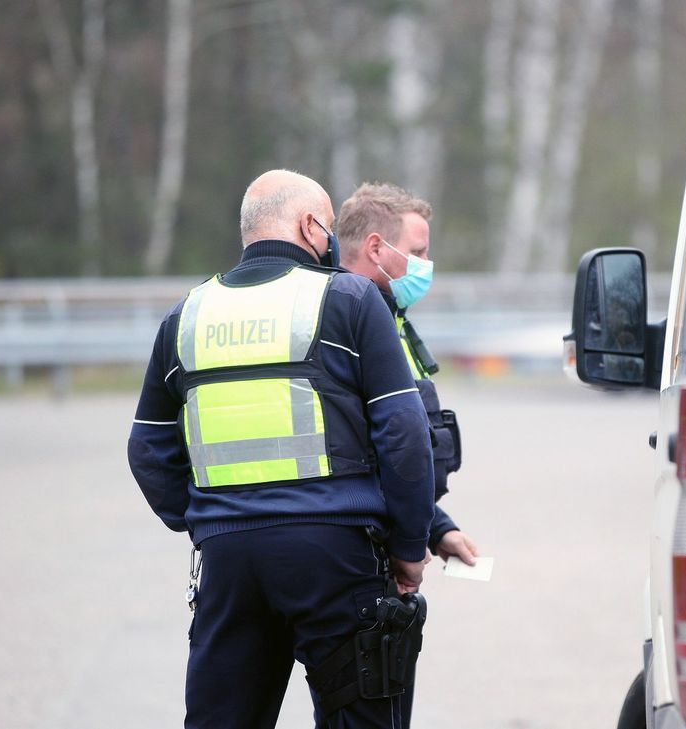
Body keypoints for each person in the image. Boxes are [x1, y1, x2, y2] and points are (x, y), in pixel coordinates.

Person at [127, 169, 436, 729]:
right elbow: (404, 433)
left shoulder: (186, 316)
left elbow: (147, 448)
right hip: (333, 555)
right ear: (309, 225)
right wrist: (410, 544)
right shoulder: (349, 298)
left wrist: (205, 516)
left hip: (228, 560)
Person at [336, 181, 479, 566]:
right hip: (359, 545)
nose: (426, 263)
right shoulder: (342, 328)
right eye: (417, 252)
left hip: (381, 537)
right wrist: (410, 547)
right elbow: (387, 448)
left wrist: (436, 528)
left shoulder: (388, 320)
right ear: (376, 248)